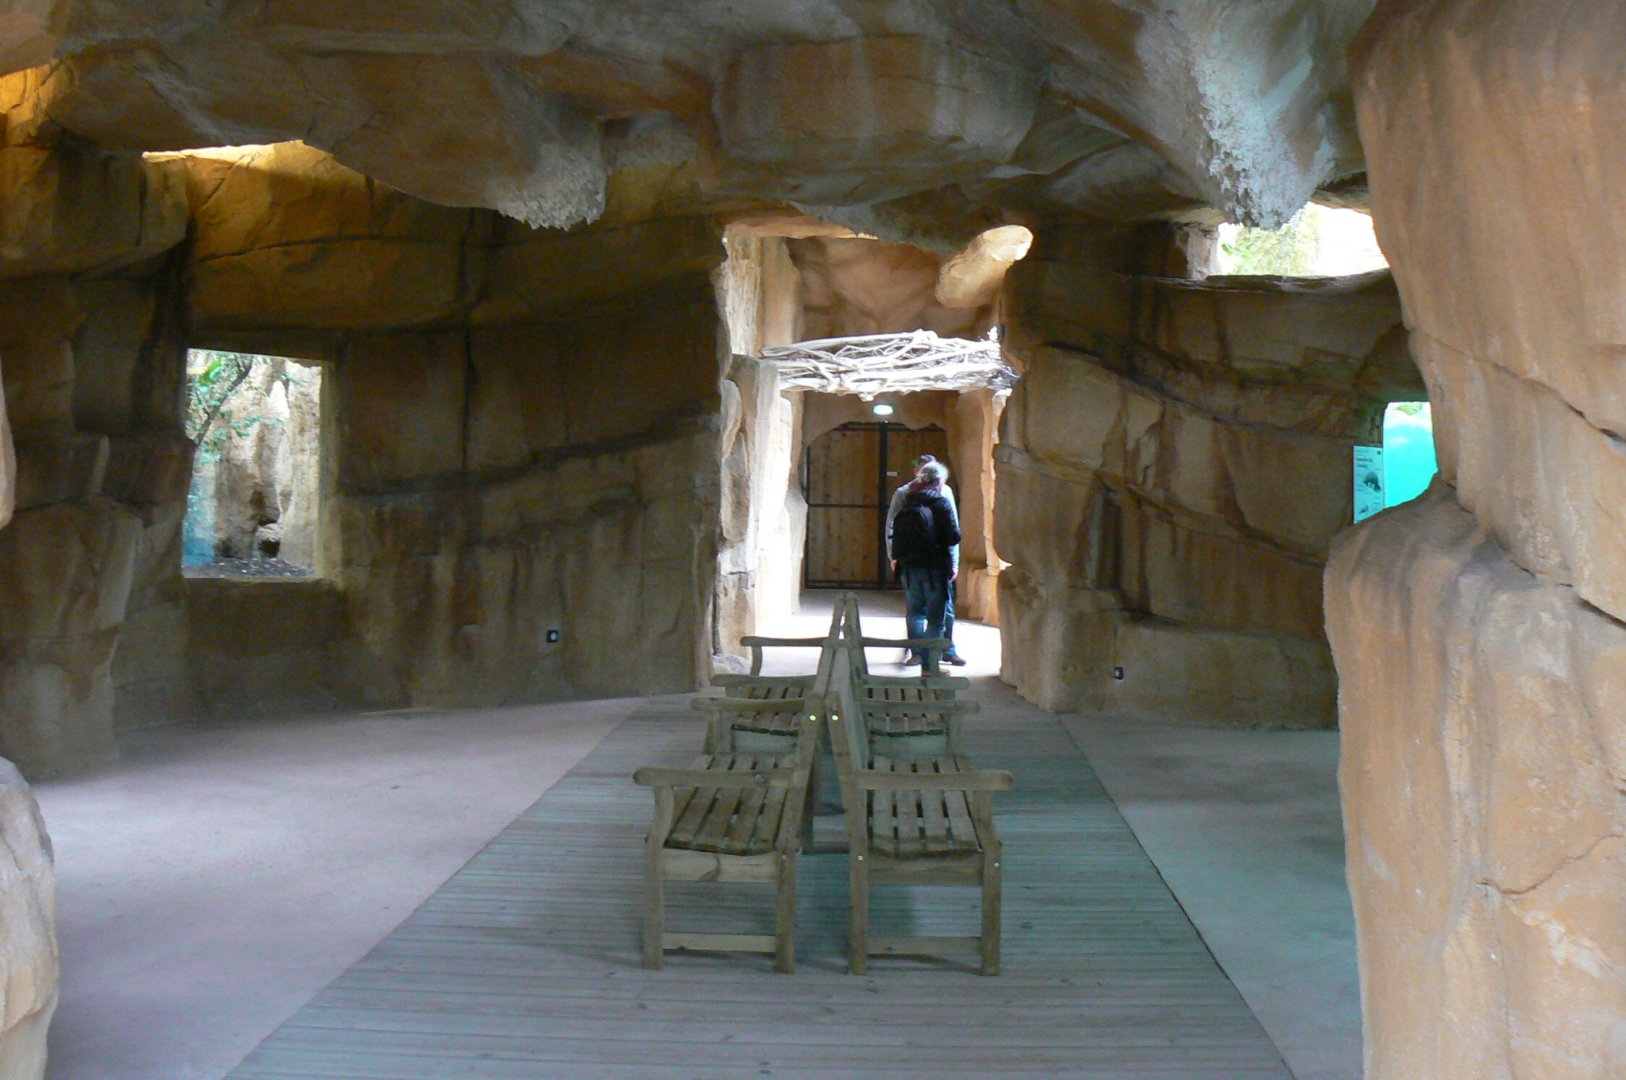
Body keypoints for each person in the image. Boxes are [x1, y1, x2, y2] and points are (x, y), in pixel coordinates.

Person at [886, 455, 966, 665]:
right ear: (938, 481)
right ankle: (932, 658)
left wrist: (895, 557)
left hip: (910, 565)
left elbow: (892, 528)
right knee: (938, 613)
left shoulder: (906, 497)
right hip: (936, 566)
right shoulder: (941, 499)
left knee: (915, 611)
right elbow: (953, 535)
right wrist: (953, 561)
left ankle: (923, 653)